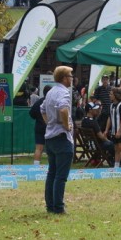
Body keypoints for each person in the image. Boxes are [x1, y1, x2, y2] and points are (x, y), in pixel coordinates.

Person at [40, 66, 75, 215]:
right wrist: (66, 126)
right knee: (61, 176)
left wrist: (50, 122)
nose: (72, 78)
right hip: (62, 136)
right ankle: (58, 207)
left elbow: (42, 109)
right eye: (70, 75)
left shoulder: (50, 92)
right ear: (64, 78)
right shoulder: (64, 92)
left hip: (50, 137)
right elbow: (63, 109)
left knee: (52, 173)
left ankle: (50, 206)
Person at [106, 87, 121, 169]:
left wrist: (119, 131)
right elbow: (110, 118)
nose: (110, 95)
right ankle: (116, 166)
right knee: (116, 148)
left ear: (115, 95)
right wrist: (106, 130)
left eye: (111, 94)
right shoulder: (111, 105)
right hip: (113, 130)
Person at [29, 85, 51, 165]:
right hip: (50, 128)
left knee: (38, 148)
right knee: (51, 149)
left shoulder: (38, 102)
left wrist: (38, 118)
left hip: (39, 127)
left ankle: (36, 166)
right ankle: (52, 167)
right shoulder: (52, 102)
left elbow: (31, 113)